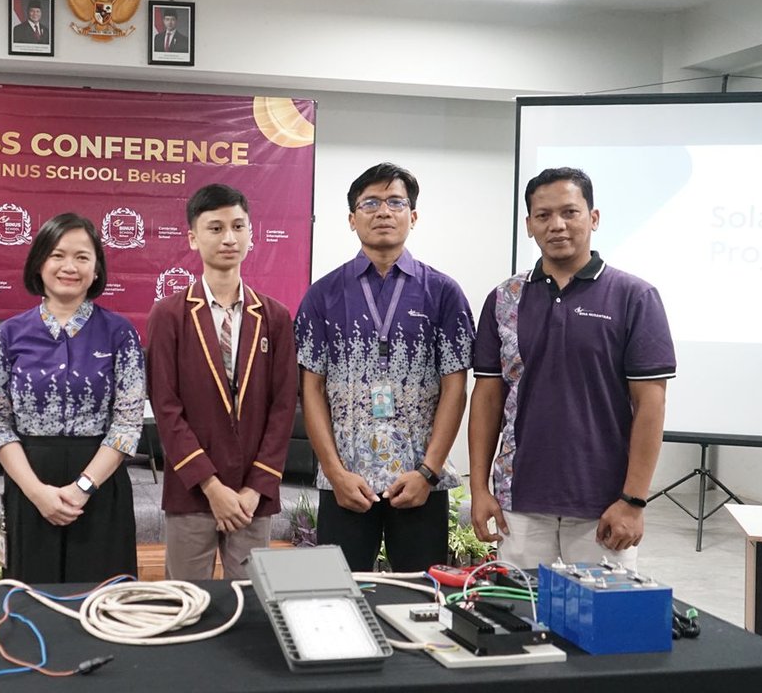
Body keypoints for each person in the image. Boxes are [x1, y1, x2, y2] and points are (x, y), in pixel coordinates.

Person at [468, 167, 675, 572]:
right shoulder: (505, 299)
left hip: (604, 503)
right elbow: (488, 397)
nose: (557, 225)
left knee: (602, 628)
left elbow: (651, 404)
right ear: (529, 225)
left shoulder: (634, 296)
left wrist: (633, 501)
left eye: (570, 212)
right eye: (543, 216)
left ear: (593, 218)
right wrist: (479, 488)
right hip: (519, 498)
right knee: (517, 621)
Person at [295, 162, 474, 573]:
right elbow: (311, 390)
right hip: (346, 486)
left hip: (418, 484)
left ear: (412, 216)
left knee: (419, 598)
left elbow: (455, 389)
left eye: (395, 202)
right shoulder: (322, 295)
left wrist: (427, 473)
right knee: (338, 596)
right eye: (370, 203)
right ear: (352, 218)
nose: (383, 212)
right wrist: (335, 473)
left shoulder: (443, 293)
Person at [0, 212, 144, 583]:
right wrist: (37, 492)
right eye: (57, 255)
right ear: (39, 263)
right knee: (32, 604)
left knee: (103, 604)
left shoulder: (120, 333)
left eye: (82, 257)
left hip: (101, 487)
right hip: (30, 484)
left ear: (97, 269)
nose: (69, 266)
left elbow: (128, 422)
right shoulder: (9, 335)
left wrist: (83, 487)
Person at [146, 184, 298, 580]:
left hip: (253, 495)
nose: (228, 238)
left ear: (251, 234)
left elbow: (283, 409)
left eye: (238, 226)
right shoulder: (169, 315)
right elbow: (166, 409)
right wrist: (212, 487)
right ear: (193, 238)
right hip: (192, 491)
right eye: (215, 228)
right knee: (186, 603)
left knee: (249, 607)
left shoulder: (275, 317)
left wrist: (253, 489)